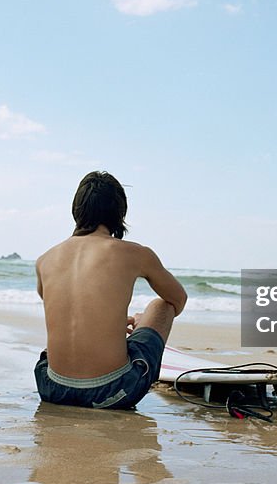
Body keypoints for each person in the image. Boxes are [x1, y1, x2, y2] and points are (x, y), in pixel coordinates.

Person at [34, 171, 187, 410]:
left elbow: (63, 307)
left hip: (51, 388)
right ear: (120, 212)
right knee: (161, 305)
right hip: (112, 391)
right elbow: (178, 299)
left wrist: (108, 322)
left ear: (77, 210)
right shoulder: (136, 253)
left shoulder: (45, 259)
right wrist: (141, 322)